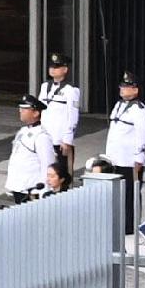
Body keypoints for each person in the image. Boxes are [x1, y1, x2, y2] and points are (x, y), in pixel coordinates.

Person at [102, 75, 145, 233]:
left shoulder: (140, 110)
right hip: (115, 157)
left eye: (126, 87)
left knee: (130, 193)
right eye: (121, 86)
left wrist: (139, 157)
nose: (122, 89)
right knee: (116, 192)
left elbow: (143, 135)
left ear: (135, 90)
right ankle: (117, 222)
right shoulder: (119, 105)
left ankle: (130, 225)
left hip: (129, 159)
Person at [40, 54, 83, 189]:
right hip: (46, 136)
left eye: (57, 67)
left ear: (65, 69)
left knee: (63, 174)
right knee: (47, 171)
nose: (53, 70)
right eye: (51, 67)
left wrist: (67, 139)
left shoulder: (71, 90)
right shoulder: (45, 86)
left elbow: (73, 115)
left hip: (60, 139)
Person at [5, 100, 57, 204]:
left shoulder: (41, 136)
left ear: (36, 113)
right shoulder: (23, 131)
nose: (20, 111)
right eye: (20, 108)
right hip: (19, 186)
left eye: (24, 109)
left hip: (31, 189)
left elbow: (47, 164)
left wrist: (44, 190)